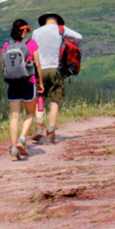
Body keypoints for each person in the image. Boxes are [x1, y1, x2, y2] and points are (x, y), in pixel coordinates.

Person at [31, 13, 82, 144]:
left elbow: (33, 49)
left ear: (44, 21)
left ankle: (38, 125)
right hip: (56, 69)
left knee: (40, 98)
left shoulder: (36, 33)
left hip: (40, 69)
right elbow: (79, 38)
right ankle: (51, 134)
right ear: (57, 20)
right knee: (54, 101)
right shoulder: (61, 30)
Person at [1, 19, 44, 160]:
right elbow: (37, 64)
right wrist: (40, 83)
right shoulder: (31, 44)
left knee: (14, 116)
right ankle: (22, 139)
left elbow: (3, 66)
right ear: (24, 31)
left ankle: (13, 148)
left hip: (12, 84)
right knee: (30, 113)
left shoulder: (7, 45)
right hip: (28, 82)